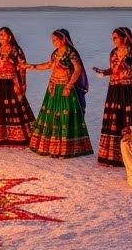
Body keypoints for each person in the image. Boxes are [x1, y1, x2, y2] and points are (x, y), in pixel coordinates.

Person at [25, 29, 93, 158]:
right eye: (52, 40)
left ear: (63, 39)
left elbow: (78, 69)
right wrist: (31, 66)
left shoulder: (70, 52)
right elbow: (49, 65)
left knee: (65, 116)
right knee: (52, 116)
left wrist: (69, 85)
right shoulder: (56, 53)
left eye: (56, 40)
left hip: (65, 87)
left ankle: (67, 147)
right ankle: (52, 145)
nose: (54, 42)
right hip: (54, 87)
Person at [91, 26, 132, 167]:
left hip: (130, 90)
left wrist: (131, 70)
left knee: (128, 119)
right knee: (115, 118)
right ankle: (113, 155)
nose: (114, 40)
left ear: (125, 38)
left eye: (116, 37)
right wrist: (104, 72)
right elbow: (114, 69)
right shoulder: (113, 53)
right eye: (113, 37)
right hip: (115, 90)